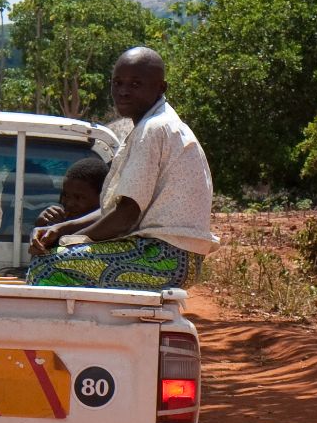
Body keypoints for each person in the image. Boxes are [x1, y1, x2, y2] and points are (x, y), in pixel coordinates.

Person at [26, 47, 217, 288]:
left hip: (165, 258)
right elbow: (117, 210)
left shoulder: (153, 129)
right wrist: (60, 228)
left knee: (47, 266)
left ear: (161, 88)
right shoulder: (156, 126)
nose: (123, 91)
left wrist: (69, 240)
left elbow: (126, 216)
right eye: (117, 83)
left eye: (136, 84)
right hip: (170, 256)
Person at [30, 156, 107, 233]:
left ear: (102, 197)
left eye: (78, 197)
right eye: (65, 195)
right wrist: (41, 227)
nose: (69, 203)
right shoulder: (58, 222)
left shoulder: (108, 231)